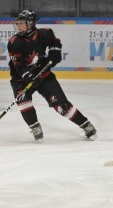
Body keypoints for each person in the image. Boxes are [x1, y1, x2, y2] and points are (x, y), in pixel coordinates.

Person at [7, 10, 97, 141]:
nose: (18, 26)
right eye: (17, 23)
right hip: (21, 79)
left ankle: (85, 124)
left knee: (62, 106)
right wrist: (28, 75)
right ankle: (34, 126)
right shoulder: (14, 42)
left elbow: (55, 42)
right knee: (23, 101)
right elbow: (18, 64)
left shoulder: (45, 33)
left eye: (21, 23)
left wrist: (55, 51)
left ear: (30, 23)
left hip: (44, 75)